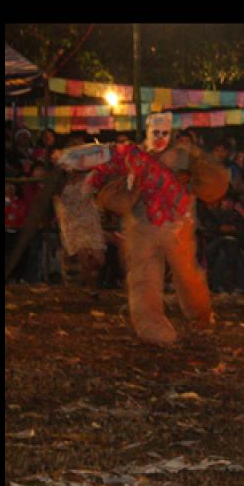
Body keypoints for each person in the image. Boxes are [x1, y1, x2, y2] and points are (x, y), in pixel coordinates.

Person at [58, 111, 228, 345]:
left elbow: (208, 175)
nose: (159, 137)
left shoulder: (182, 155)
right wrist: (88, 177)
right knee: (143, 276)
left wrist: (203, 177)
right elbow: (106, 163)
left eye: (164, 133)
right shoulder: (131, 154)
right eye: (155, 133)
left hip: (176, 223)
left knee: (186, 273)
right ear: (147, 132)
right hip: (141, 224)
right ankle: (152, 328)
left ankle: (200, 312)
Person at [54, 167, 107, 293]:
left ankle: (86, 278)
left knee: (100, 260)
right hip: (73, 223)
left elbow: (99, 191)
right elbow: (57, 201)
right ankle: (91, 288)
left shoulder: (90, 177)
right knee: (84, 258)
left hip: (90, 220)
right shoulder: (60, 182)